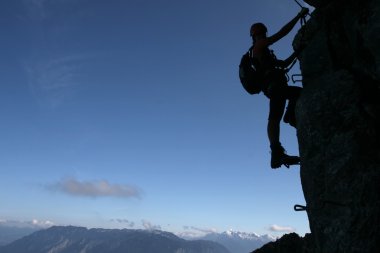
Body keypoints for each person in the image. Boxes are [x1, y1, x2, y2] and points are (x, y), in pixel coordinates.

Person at [250, 7, 309, 169]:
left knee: (290, 100)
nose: (263, 36)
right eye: (260, 34)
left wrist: (297, 52)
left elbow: (283, 64)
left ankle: (277, 150)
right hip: (274, 87)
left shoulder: (266, 53)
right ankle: (276, 150)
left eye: (263, 33)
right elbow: (282, 33)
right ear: (255, 37)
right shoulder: (258, 47)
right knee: (276, 115)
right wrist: (298, 16)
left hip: (276, 87)